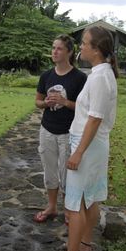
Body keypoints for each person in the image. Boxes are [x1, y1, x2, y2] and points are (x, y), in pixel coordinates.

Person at [45, 26, 118, 251]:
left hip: (87, 145)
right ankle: (85, 243)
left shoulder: (98, 78)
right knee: (91, 197)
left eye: (85, 43)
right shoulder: (102, 73)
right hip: (95, 145)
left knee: (74, 203)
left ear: (96, 50)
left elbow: (95, 118)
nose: (82, 47)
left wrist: (77, 153)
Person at [33, 35, 87, 224]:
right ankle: (52, 206)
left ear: (69, 52)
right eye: (53, 47)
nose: (54, 52)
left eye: (59, 49)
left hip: (68, 133)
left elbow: (85, 108)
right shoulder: (46, 75)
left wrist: (65, 102)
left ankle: (69, 209)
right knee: (49, 171)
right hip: (47, 130)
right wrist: (45, 103)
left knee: (68, 174)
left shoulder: (80, 78)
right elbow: (37, 102)